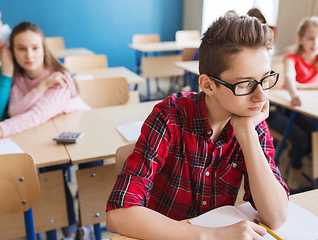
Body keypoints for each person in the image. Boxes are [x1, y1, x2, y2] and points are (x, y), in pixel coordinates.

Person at [106, 14, 289, 240]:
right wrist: (210, 236)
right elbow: (118, 215)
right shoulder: (170, 117)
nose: (261, 96)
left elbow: (276, 217)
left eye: (265, 79)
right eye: (245, 84)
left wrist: (246, 134)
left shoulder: (252, 123)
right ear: (207, 85)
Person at [0, 21, 90, 239]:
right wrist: (40, 87)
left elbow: (35, 115)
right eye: (21, 48)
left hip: (79, 140)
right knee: (47, 178)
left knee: (61, 176)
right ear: (11, 51)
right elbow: (14, 109)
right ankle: (54, 228)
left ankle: (74, 230)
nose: (29, 54)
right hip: (45, 138)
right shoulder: (19, 78)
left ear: (44, 49)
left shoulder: (60, 78)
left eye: (35, 48)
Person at [267, 16, 318, 190]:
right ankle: (294, 166)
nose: (315, 42)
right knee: (302, 138)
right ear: (300, 39)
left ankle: (295, 161)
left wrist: (301, 86)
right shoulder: (292, 57)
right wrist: (295, 91)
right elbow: (289, 77)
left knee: (314, 133)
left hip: (306, 113)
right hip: (282, 111)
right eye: (311, 38)